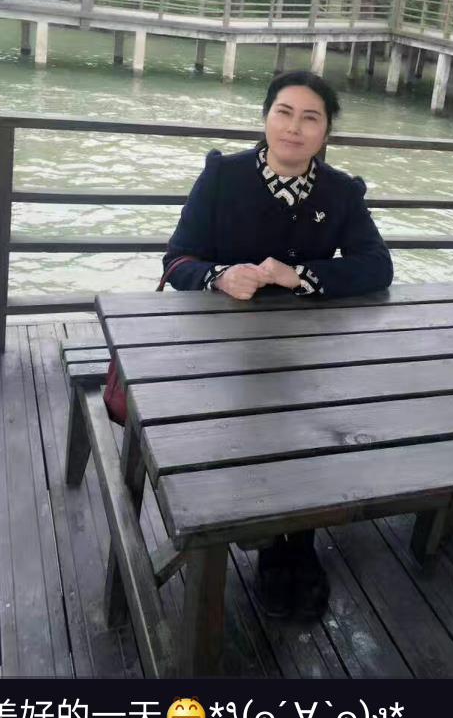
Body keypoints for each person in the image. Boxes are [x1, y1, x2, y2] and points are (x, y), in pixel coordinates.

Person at [162, 69, 394, 620]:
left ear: (325, 131)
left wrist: (303, 277)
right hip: (221, 349)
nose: (294, 127)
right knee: (244, 426)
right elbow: (177, 259)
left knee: (311, 422)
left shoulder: (341, 191)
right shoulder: (222, 176)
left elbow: (377, 266)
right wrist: (218, 276)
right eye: (284, 113)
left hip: (305, 351)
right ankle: (260, 528)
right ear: (266, 118)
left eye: (311, 118)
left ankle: (300, 537)